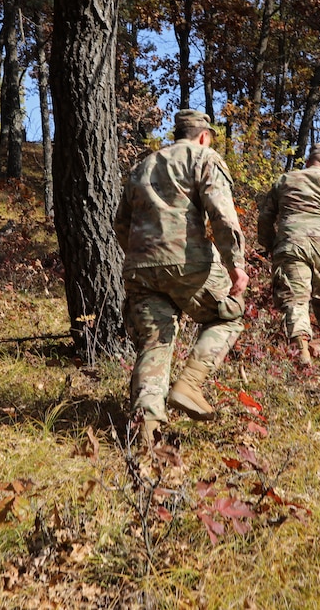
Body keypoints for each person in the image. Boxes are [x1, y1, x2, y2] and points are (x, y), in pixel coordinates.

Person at [114, 108, 249, 445]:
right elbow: (222, 214)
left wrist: (143, 256)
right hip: (187, 263)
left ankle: (146, 435)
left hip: (139, 267)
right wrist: (236, 264)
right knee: (228, 316)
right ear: (204, 136)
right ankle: (190, 385)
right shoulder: (204, 156)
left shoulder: (141, 166)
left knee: (154, 345)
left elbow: (120, 224)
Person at [257, 143, 320, 366]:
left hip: (291, 244)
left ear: (307, 162)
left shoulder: (285, 180)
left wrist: (270, 245)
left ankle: (302, 352)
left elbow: (265, 218)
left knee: (295, 299)